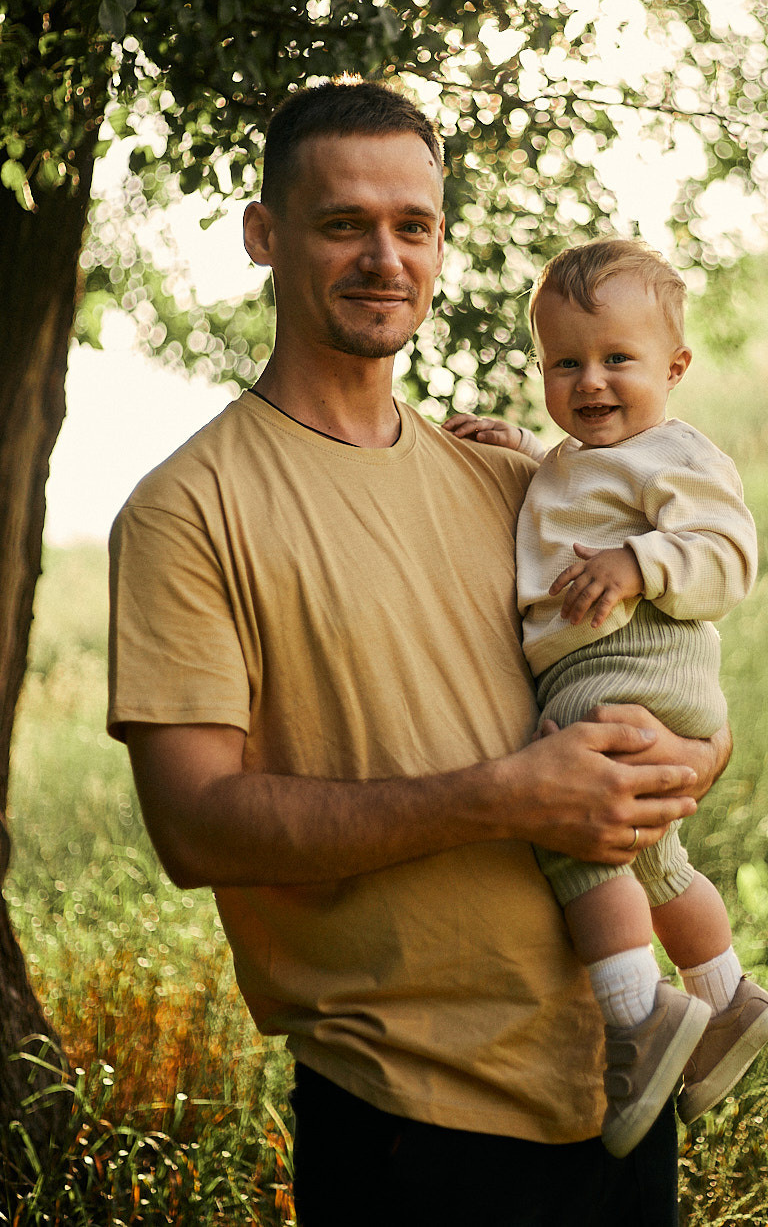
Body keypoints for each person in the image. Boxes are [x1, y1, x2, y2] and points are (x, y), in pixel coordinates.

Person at [106, 81, 732, 1227]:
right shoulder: (187, 508)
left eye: (415, 226)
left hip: (617, 1088)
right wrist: (505, 798)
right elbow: (196, 828)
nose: (384, 257)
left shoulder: (516, 481)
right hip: (409, 1123)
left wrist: (690, 759)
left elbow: (676, 686)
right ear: (265, 235)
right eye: (344, 223)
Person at [445, 239, 768, 1159]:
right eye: (565, 363)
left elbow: (727, 556)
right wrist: (516, 446)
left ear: (675, 368)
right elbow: (570, 491)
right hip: (612, 668)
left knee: (572, 829)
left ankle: (638, 1022)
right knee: (647, 851)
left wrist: (641, 564)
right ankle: (724, 998)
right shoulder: (578, 457)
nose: (590, 381)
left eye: (617, 360)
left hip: (631, 659)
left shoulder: (675, 452)